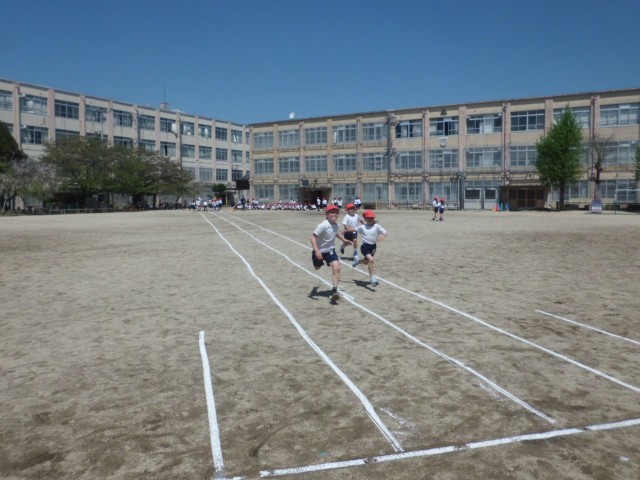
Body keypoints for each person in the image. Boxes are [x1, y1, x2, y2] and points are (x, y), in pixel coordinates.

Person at [310, 204, 351, 302]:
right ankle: (316, 288)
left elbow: (335, 233)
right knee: (317, 268)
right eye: (332, 212)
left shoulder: (336, 225)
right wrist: (317, 251)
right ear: (327, 214)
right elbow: (312, 237)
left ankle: (334, 292)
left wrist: (344, 240)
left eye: (336, 212)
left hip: (330, 251)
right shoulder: (323, 225)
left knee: (337, 268)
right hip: (319, 251)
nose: (334, 214)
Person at [356, 210, 387, 286]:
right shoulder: (363, 227)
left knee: (366, 262)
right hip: (365, 247)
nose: (370, 219)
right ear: (365, 219)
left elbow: (384, 232)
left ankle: (358, 261)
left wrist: (383, 236)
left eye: (372, 218)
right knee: (371, 260)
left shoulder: (377, 226)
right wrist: (346, 231)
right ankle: (372, 278)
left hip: (373, 247)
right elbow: (354, 229)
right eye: (368, 218)